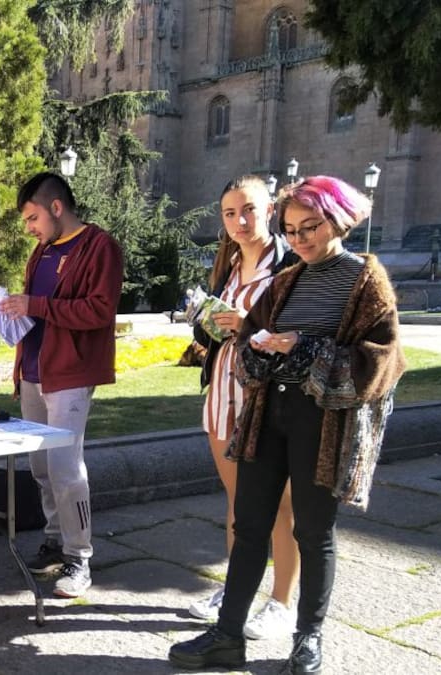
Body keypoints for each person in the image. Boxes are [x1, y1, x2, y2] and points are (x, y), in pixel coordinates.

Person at [169, 176, 406, 673]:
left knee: (313, 532)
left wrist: (305, 348)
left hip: (323, 423)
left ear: (339, 220)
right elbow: (252, 342)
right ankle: (227, 636)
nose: (299, 239)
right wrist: (259, 346)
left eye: (310, 227)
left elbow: (381, 363)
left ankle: (308, 639)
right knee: (250, 523)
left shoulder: (366, 278)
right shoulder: (286, 280)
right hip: (267, 416)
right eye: (292, 229)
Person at [0, 172, 123, 598]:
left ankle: (79, 556)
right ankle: (55, 538)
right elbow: (43, 311)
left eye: (32, 217)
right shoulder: (43, 252)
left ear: (55, 207)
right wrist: (13, 313)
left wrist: (33, 305)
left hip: (69, 373)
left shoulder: (99, 246)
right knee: (40, 467)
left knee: (66, 468)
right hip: (34, 370)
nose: (29, 228)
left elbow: (99, 311)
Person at [187, 175, 301, 639]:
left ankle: (281, 602)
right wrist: (206, 322)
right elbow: (214, 331)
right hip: (223, 391)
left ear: (270, 209)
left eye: (249, 209)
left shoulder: (292, 263)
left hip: (268, 397)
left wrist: (247, 323)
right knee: (238, 502)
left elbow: (298, 334)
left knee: (277, 504)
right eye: (231, 213)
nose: (240, 220)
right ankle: (238, 590)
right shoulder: (228, 260)